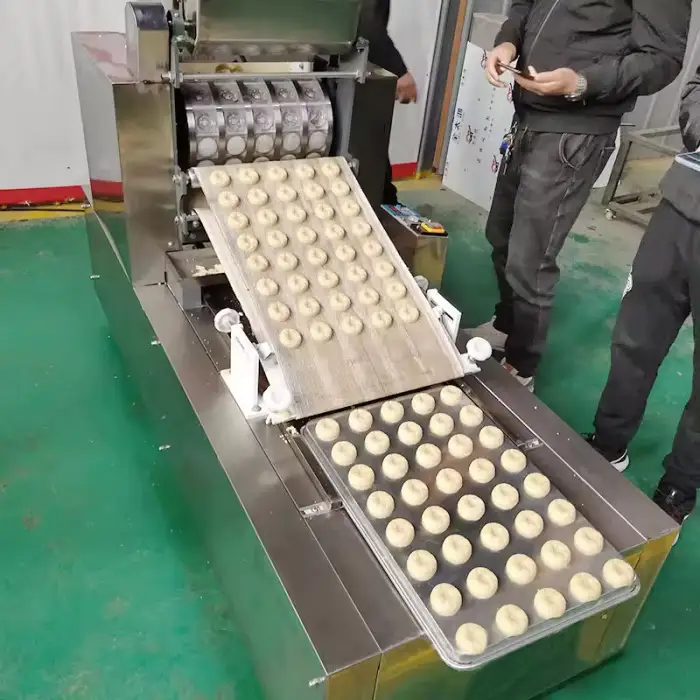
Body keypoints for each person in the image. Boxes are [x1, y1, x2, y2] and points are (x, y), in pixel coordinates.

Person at [468, 0, 690, 391]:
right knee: (500, 235)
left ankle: (522, 365)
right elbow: (524, 5)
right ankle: (506, 325)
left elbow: (661, 58)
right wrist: (508, 42)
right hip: (528, 116)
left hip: (575, 129)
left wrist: (583, 82)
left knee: (530, 259)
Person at [585, 64, 700, 525]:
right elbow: (696, 88)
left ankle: (681, 484)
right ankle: (609, 443)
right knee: (635, 339)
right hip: (681, 207)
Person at [358, 0, 418, 205]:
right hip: (349, 71)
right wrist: (399, 72)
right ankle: (383, 207)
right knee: (367, 146)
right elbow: (365, 23)